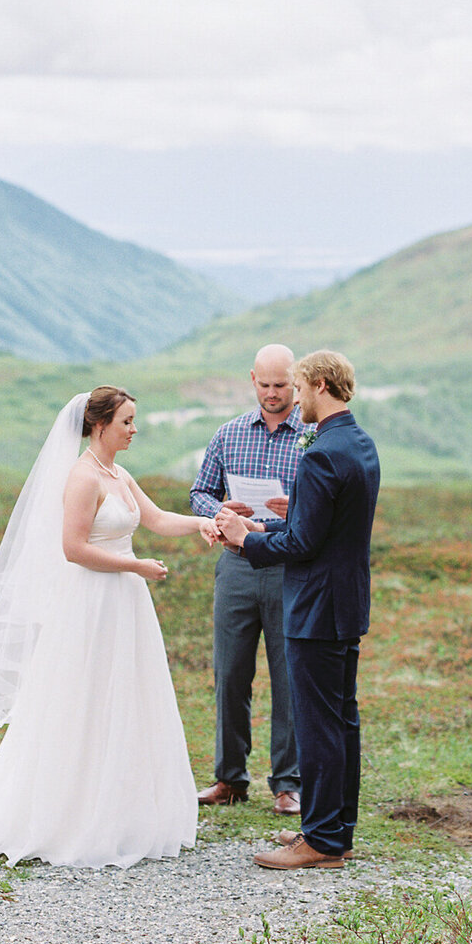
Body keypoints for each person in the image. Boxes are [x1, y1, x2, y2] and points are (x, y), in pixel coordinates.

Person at [0, 386, 217, 869]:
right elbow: (72, 549)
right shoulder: (82, 478)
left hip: (125, 606)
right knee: (83, 698)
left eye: (134, 421)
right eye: (127, 422)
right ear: (100, 425)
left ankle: (122, 809)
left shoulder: (119, 474)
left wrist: (202, 523)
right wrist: (134, 567)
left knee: (127, 696)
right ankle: (67, 813)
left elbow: (153, 519)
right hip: (90, 604)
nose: (134, 430)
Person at [217, 350, 379, 870]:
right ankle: (335, 831)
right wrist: (278, 524)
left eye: (302, 388)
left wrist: (247, 541)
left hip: (316, 607)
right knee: (341, 723)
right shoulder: (358, 443)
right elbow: (326, 529)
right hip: (345, 603)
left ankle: (322, 842)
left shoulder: (321, 454)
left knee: (319, 727)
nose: (297, 400)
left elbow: (305, 545)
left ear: (322, 385)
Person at [190, 344, 306, 816]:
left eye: (282, 386)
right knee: (230, 673)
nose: (274, 394)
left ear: (296, 383)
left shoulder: (314, 437)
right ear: (252, 379)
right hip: (237, 566)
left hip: (289, 567)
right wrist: (218, 511)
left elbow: (327, 509)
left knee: (289, 676)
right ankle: (229, 778)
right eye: (266, 385)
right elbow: (200, 490)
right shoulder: (229, 433)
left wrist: (293, 512)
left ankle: (288, 783)